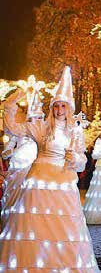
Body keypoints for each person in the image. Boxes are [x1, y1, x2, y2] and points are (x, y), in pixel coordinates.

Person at [0, 66, 101, 273]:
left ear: (69, 108)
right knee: (34, 230)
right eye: (55, 105)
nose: (58, 109)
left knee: (62, 232)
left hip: (63, 181)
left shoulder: (75, 131)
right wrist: (15, 99)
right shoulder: (42, 127)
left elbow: (82, 159)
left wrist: (75, 158)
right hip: (38, 181)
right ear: (51, 107)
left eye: (63, 105)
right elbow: (15, 128)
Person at [1, 90, 42, 227]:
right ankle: (13, 223)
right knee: (16, 194)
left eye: (39, 117)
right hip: (19, 165)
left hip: (35, 167)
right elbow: (11, 136)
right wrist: (8, 151)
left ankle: (29, 224)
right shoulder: (23, 129)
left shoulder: (44, 132)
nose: (35, 121)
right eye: (32, 118)